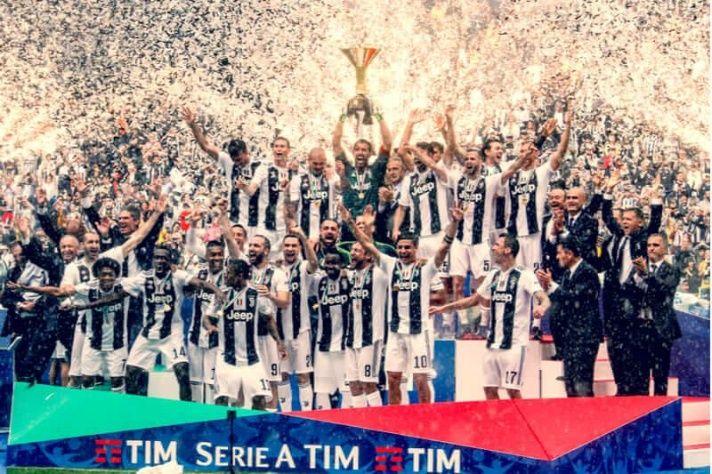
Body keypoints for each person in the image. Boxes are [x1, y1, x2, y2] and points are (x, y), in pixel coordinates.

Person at [342, 202, 462, 405]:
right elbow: (366, 245)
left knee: (421, 379)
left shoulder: (426, 268)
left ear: (416, 248)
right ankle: (396, 417)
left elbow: (443, 248)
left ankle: (425, 417)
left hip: (418, 330)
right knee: (393, 378)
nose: (403, 251)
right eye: (400, 247)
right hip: (395, 331)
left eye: (407, 247)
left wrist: (455, 223)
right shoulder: (390, 265)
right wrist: (349, 221)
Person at [430, 234, 550, 400]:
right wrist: (443, 308)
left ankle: (519, 418)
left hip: (514, 345)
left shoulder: (525, 275)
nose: (493, 248)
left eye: (497, 245)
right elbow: (472, 300)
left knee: (512, 390)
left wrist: (541, 308)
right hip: (492, 344)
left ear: (508, 250)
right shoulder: (493, 275)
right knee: (489, 389)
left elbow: (544, 298)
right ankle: (497, 418)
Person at [12, 258, 132, 392]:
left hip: (118, 344)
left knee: (117, 381)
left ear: (116, 275)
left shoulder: (125, 285)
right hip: (93, 342)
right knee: (86, 379)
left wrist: (85, 306)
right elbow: (58, 292)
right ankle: (87, 403)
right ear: (97, 276)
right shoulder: (88, 288)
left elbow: (113, 298)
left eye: (110, 274)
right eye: (103, 274)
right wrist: (26, 288)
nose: (107, 278)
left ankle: (118, 403)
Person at [121, 244, 224, 401]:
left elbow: (200, 283)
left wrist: (217, 291)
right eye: (157, 257)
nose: (160, 261)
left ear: (170, 261)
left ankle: (186, 410)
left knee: (183, 373)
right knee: (130, 373)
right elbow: (120, 293)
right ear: (153, 260)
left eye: (164, 258)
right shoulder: (143, 278)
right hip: (147, 334)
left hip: (172, 334)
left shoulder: (178, 276)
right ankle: (133, 409)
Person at [601, 180, 663, 396]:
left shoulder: (644, 238)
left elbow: (655, 223)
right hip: (614, 301)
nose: (624, 222)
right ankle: (621, 386)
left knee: (632, 348)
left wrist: (655, 200)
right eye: (623, 219)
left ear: (639, 222)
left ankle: (634, 388)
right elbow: (607, 217)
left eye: (629, 219)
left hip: (634, 301)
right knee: (614, 347)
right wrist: (607, 193)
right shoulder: (618, 236)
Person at [203, 259, 286, 409]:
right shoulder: (222, 295)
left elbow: (268, 319)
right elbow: (206, 318)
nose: (225, 276)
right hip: (226, 358)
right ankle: (223, 424)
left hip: (252, 358)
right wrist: (210, 327)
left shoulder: (256, 294)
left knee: (260, 399)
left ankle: (256, 424)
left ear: (240, 275)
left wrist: (279, 342)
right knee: (221, 399)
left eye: (229, 273)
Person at [537, 236, 602, 397]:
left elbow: (574, 298)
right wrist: (547, 287)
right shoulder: (568, 274)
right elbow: (561, 300)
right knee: (571, 385)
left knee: (581, 384)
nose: (557, 257)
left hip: (585, 337)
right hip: (571, 336)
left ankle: (586, 413)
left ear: (569, 254)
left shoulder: (587, 272)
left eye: (559, 253)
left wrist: (552, 284)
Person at [182, 107, 261, 229]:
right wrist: (193, 125)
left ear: (246, 152)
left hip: (255, 221)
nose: (238, 163)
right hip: (235, 220)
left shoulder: (259, 166)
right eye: (235, 160)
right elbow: (206, 146)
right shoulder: (229, 162)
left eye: (240, 159)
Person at [625, 234, 681, 395]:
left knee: (660, 376)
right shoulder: (638, 268)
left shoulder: (672, 270)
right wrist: (638, 276)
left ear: (665, 248)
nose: (651, 248)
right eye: (649, 245)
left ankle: (660, 408)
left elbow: (663, 291)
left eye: (655, 245)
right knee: (640, 376)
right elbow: (627, 291)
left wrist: (646, 275)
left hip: (661, 330)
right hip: (639, 328)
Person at [276, 229, 318, 411]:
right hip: (279, 333)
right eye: (287, 245)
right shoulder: (275, 270)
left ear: (300, 248)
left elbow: (314, 264)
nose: (290, 249)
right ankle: (286, 415)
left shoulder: (303, 267)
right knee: (282, 375)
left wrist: (303, 238)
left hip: (301, 331)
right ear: (282, 248)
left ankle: (307, 415)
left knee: (303, 376)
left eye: (294, 245)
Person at [245, 234, 290, 411]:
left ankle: (270, 420)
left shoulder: (277, 274)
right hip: (247, 336)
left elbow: (284, 302)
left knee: (271, 382)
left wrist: (269, 295)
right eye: (250, 245)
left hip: (268, 335)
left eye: (256, 246)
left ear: (266, 250)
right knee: (248, 383)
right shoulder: (243, 271)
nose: (251, 249)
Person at [345, 241, 388, 407]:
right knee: (354, 385)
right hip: (350, 338)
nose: (352, 253)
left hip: (371, 338)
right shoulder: (349, 275)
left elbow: (393, 265)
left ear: (368, 255)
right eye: (352, 250)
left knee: (368, 384)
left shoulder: (379, 274)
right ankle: (360, 421)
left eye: (357, 250)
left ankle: (378, 419)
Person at [310, 252, 351, 409]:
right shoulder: (319, 281)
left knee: (347, 389)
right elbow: (308, 270)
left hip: (345, 344)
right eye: (327, 263)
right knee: (321, 390)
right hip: (323, 344)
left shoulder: (350, 279)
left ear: (341, 265)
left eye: (334, 263)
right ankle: (323, 422)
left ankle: (349, 421)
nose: (330, 266)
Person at [186, 240, 226, 403]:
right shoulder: (198, 273)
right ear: (206, 256)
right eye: (213, 255)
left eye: (220, 254)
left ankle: (212, 415)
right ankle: (196, 415)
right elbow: (186, 290)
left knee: (212, 382)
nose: (217, 258)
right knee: (195, 381)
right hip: (195, 334)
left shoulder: (228, 276)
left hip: (217, 337)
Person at [287, 148, 340, 240]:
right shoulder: (297, 180)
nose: (318, 167)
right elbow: (292, 207)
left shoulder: (331, 179)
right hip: (304, 231)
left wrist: (339, 174)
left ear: (325, 162)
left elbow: (342, 188)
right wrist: (294, 226)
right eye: (315, 163)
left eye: (321, 164)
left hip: (326, 233)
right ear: (308, 161)